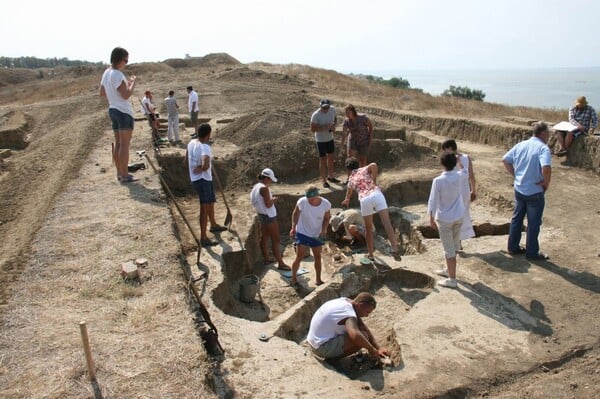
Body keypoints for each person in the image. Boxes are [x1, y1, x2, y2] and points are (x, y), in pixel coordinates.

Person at [502, 121, 552, 260]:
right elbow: (546, 167)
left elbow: (505, 160)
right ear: (542, 133)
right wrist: (546, 182)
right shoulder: (543, 149)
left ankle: (513, 247)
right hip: (535, 190)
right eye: (548, 133)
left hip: (519, 188)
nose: (549, 136)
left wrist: (516, 175)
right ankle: (532, 252)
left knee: (517, 219)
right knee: (534, 222)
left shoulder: (521, 145)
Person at [341, 158, 401, 261]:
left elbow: (348, 193)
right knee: (386, 222)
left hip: (365, 199)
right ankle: (395, 247)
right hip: (377, 194)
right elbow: (374, 164)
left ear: (348, 169)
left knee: (368, 228)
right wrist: (374, 181)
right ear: (358, 164)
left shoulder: (351, 178)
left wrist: (346, 200)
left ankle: (370, 254)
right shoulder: (364, 169)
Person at [306, 292, 389, 361]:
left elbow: (362, 326)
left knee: (360, 333)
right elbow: (355, 335)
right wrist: (371, 349)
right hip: (320, 348)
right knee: (363, 337)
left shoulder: (345, 301)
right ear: (360, 305)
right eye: (367, 312)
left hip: (312, 340)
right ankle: (332, 360)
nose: (366, 315)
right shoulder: (349, 315)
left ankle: (333, 354)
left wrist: (379, 347)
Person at [428, 153, 467, 289]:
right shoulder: (460, 175)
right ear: (454, 163)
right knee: (454, 245)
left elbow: (433, 201)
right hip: (459, 216)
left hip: (444, 219)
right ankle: (448, 270)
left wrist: (431, 218)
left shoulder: (438, 181)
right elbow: (465, 170)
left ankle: (452, 279)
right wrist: (459, 162)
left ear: (442, 164)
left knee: (448, 249)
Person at [99, 47, 137, 183]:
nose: (126, 63)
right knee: (125, 145)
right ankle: (125, 175)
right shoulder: (117, 75)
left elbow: (102, 92)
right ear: (120, 60)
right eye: (126, 60)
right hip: (123, 111)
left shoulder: (106, 73)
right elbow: (126, 94)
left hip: (113, 109)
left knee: (118, 143)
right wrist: (132, 84)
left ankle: (119, 173)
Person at [186, 123, 227, 246]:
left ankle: (213, 224)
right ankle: (203, 237)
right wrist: (203, 167)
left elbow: (186, 157)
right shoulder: (205, 147)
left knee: (210, 202)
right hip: (203, 180)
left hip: (198, 179)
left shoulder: (191, 143)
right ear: (208, 134)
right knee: (204, 208)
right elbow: (205, 165)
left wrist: (193, 169)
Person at [289, 185, 332, 287]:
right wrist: (293, 227)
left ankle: (318, 279)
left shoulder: (326, 204)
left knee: (317, 257)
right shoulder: (302, 202)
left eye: (313, 199)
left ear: (318, 196)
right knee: (299, 257)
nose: (311, 202)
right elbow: (295, 214)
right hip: (302, 232)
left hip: (316, 234)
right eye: (309, 199)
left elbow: (327, 218)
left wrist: (324, 230)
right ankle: (293, 278)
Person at [250, 168, 290, 271]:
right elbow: (268, 204)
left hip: (262, 215)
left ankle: (267, 259)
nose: (271, 182)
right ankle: (280, 264)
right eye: (270, 179)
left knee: (264, 237)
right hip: (269, 216)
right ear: (267, 178)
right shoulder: (264, 189)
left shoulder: (256, 186)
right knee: (276, 240)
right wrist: (274, 200)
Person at [441, 139, 476, 245]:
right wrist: (473, 190)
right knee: (461, 216)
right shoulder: (466, 158)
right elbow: (471, 176)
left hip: (455, 193)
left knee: (455, 217)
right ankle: (458, 242)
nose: (445, 152)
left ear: (451, 148)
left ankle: (457, 242)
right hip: (464, 192)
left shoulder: (451, 160)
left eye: (446, 150)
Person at [310, 99, 339, 188]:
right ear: (320, 106)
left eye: (327, 107)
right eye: (324, 107)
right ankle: (324, 180)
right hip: (320, 140)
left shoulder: (332, 110)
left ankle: (331, 176)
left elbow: (335, 119)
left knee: (331, 157)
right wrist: (324, 128)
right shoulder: (316, 115)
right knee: (323, 160)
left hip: (330, 138)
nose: (326, 109)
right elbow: (312, 129)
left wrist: (333, 126)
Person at [342, 104, 374, 169]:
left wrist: (370, 138)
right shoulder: (346, 121)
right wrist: (342, 143)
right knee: (350, 159)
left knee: (363, 159)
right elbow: (344, 132)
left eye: (348, 113)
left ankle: (363, 175)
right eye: (346, 113)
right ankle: (350, 177)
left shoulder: (363, 118)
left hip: (363, 140)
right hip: (353, 140)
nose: (347, 115)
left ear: (353, 112)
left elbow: (370, 127)